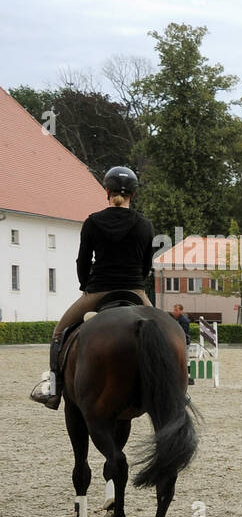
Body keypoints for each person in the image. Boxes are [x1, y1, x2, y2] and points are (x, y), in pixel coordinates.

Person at [31, 166, 155, 409]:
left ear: (106, 191)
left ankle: (54, 391)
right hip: (135, 291)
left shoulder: (93, 222)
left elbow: (83, 261)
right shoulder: (145, 225)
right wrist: (136, 282)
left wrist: (85, 287)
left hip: (98, 290)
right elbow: (146, 265)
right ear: (134, 194)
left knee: (59, 332)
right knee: (166, 330)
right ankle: (177, 390)